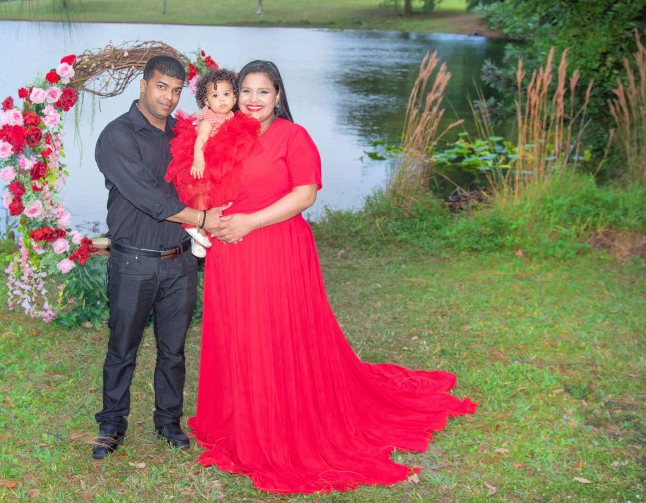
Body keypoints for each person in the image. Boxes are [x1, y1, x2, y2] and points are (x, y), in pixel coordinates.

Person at [188, 60, 476, 493]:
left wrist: (250, 221)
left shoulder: (294, 136)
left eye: (263, 91)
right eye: (245, 90)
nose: (252, 99)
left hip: (276, 246)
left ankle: (282, 419)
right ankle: (241, 417)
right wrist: (209, 216)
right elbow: (202, 184)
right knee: (239, 332)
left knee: (277, 332)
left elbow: (305, 195)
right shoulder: (223, 133)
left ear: (278, 96)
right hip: (230, 253)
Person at [92, 55, 224, 460]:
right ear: (143, 85)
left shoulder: (185, 134)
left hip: (180, 260)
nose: (168, 96)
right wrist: (203, 219)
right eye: (161, 86)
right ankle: (112, 424)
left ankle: (168, 421)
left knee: (173, 349)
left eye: (176, 89)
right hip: (134, 261)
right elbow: (149, 198)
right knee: (122, 347)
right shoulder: (117, 136)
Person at [164, 68, 261, 258]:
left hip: (220, 162)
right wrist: (198, 158)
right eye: (215, 96)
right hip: (204, 161)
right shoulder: (208, 118)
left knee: (218, 198)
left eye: (226, 94)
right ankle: (195, 227)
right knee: (202, 191)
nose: (222, 99)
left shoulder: (233, 116)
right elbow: (201, 139)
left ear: (235, 97)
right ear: (207, 101)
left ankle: (206, 233)